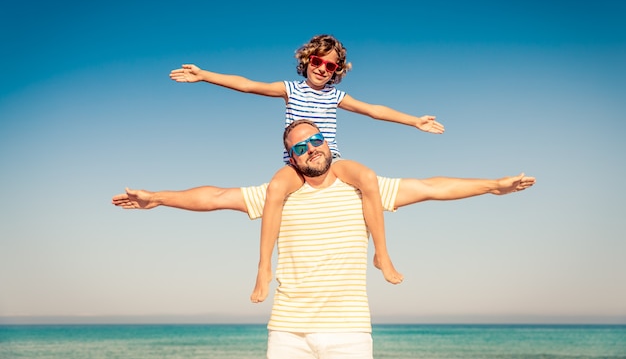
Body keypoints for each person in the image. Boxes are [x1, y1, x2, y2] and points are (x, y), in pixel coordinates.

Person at [112, 119, 535, 359]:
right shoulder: (278, 195)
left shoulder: (363, 189)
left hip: (348, 332)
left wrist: (494, 185)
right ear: (291, 158)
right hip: (288, 333)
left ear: (328, 144)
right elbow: (215, 197)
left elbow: (431, 186)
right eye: (300, 147)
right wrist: (158, 198)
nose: (311, 149)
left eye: (316, 141)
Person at [169, 34, 445, 303]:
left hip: (331, 161)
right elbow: (248, 85)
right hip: (297, 164)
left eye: (331, 66)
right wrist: (205, 75)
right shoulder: (290, 89)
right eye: (317, 62)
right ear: (307, 60)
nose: (322, 69)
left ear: (337, 70)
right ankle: (264, 267)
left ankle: (381, 255)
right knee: (275, 189)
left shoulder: (335, 95)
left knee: (367, 178)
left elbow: (373, 110)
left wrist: (414, 121)